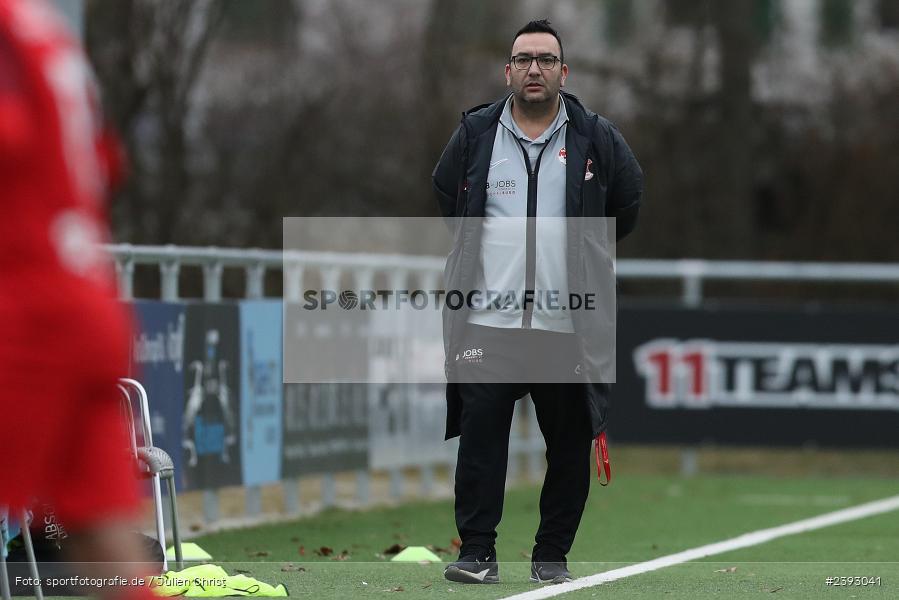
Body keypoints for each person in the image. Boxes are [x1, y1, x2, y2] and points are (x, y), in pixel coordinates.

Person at [432, 20, 643, 584]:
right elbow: (446, 195)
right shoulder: (476, 133)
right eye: (523, 59)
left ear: (563, 72)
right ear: (508, 71)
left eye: (546, 60)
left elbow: (628, 203)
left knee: (569, 444)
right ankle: (477, 553)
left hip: (565, 322)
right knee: (480, 441)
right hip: (487, 323)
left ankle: (551, 556)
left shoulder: (596, 136)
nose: (534, 69)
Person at [0, 1, 156, 598]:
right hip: (87, 298)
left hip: (24, 309)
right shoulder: (39, 28)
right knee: (103, 543)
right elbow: (108, 162)